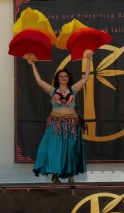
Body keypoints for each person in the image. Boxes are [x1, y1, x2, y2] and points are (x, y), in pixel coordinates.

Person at [28, 54, 92, 183]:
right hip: (56, 124)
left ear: (68, 78)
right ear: (58, 78)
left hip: (71, 124)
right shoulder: (53, 90)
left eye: (65, 76)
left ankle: (71, 175)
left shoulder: (73, 89)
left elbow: (85, 78)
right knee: (55, 149)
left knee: (70, 149)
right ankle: (55, 175)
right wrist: (32, 64)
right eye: (61, 76)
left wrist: (89, 61)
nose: (63, 78)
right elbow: (39, 81)